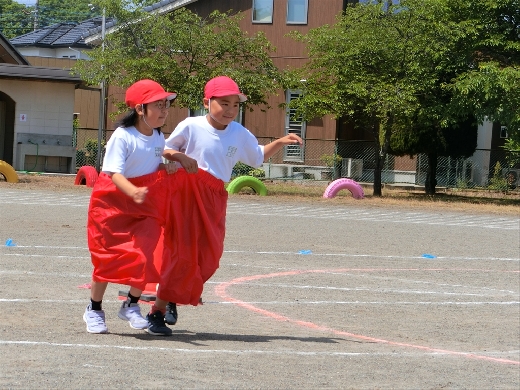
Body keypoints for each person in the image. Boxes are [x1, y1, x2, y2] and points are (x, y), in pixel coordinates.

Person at [155, 75, 303, 326]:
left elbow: (256, 157)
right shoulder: (191, 125)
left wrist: (279, 142)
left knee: (210, 255)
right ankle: (163, 304)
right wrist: (180, 157)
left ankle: (176, 292)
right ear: (206, 102)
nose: (230, 110)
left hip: (215, 195)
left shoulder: (239, 132)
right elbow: (165, 149)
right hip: (187, 191)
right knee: (181, 251)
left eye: (235, 105)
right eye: (224, 103)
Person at [84, 79, 177, 336]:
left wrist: (164, 167)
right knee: (107, 259)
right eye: (158, 105)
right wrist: (132, 191)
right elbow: (113, 172)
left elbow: (149, 165)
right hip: (112, 203)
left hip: (143, 204)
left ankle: (131, 305)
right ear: (140, 109)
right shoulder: (123, 136)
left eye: (165, 105)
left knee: (145, 255)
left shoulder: (158, 136)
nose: (164, 110)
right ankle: (94, 308)